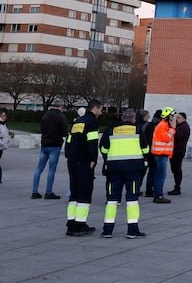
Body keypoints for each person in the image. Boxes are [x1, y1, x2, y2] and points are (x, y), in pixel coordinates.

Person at [99, 107, 148, 239]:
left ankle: (107, 230)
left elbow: (103, 149)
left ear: (122, 118)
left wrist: (110, 158)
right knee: (132, 199)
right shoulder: (138, 130)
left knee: (112, 200)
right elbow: (146, 149)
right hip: (133, 170)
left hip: (114, 169)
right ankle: (132, 230)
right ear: (133, 119)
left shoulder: (111, 130)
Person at [65, 99, 102, 236]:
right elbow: (92, 142)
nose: (101, 112)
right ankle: (80, 224)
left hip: (72, 160)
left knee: (74, 192)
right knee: (85, 193)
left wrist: (69, 156)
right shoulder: (92, 122)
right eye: (101, 109)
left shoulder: (77, 121)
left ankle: (71, 223)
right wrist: (93, 159)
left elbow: (68, 141)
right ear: (95, 108)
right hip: (84, 161)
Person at [32, 105, 68, 199]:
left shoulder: (45, 115)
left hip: (44, 144)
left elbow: (42, 129)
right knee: (51, 170)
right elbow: (65, 131)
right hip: (55, 145)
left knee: (39, 168)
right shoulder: (61, 116)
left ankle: (34, 191)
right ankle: (48, 192)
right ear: (61, 107)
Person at [151, 107, 175, 203]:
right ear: (168, 117)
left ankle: (157, 193)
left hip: (162, 154)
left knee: (159, 175)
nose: (173, 119)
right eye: (172, 116)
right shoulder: (162, 126)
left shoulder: (164, 125)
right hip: (161, 154)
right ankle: (158, 195)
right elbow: (166, 138)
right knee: (161, 175)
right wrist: (173, 129)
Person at [140, 109, 159, 197]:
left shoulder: (145, 125)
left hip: (143, 152)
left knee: (141, 172)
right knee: (152, 171)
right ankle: (149, 190)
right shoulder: (152, 126)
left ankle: (137, 189)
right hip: (150, 152)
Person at [170, 112, 190, 196]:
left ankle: (177, 187)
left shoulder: (184, 127)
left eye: (178, 117)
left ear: (183, 119)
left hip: (178, 151)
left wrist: (173, 128)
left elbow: (177, 136)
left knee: (177, 169)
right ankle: (176, 186)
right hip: (175, 150)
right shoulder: (180, 126)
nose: (176, 119)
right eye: (176, 117)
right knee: (174, 169)